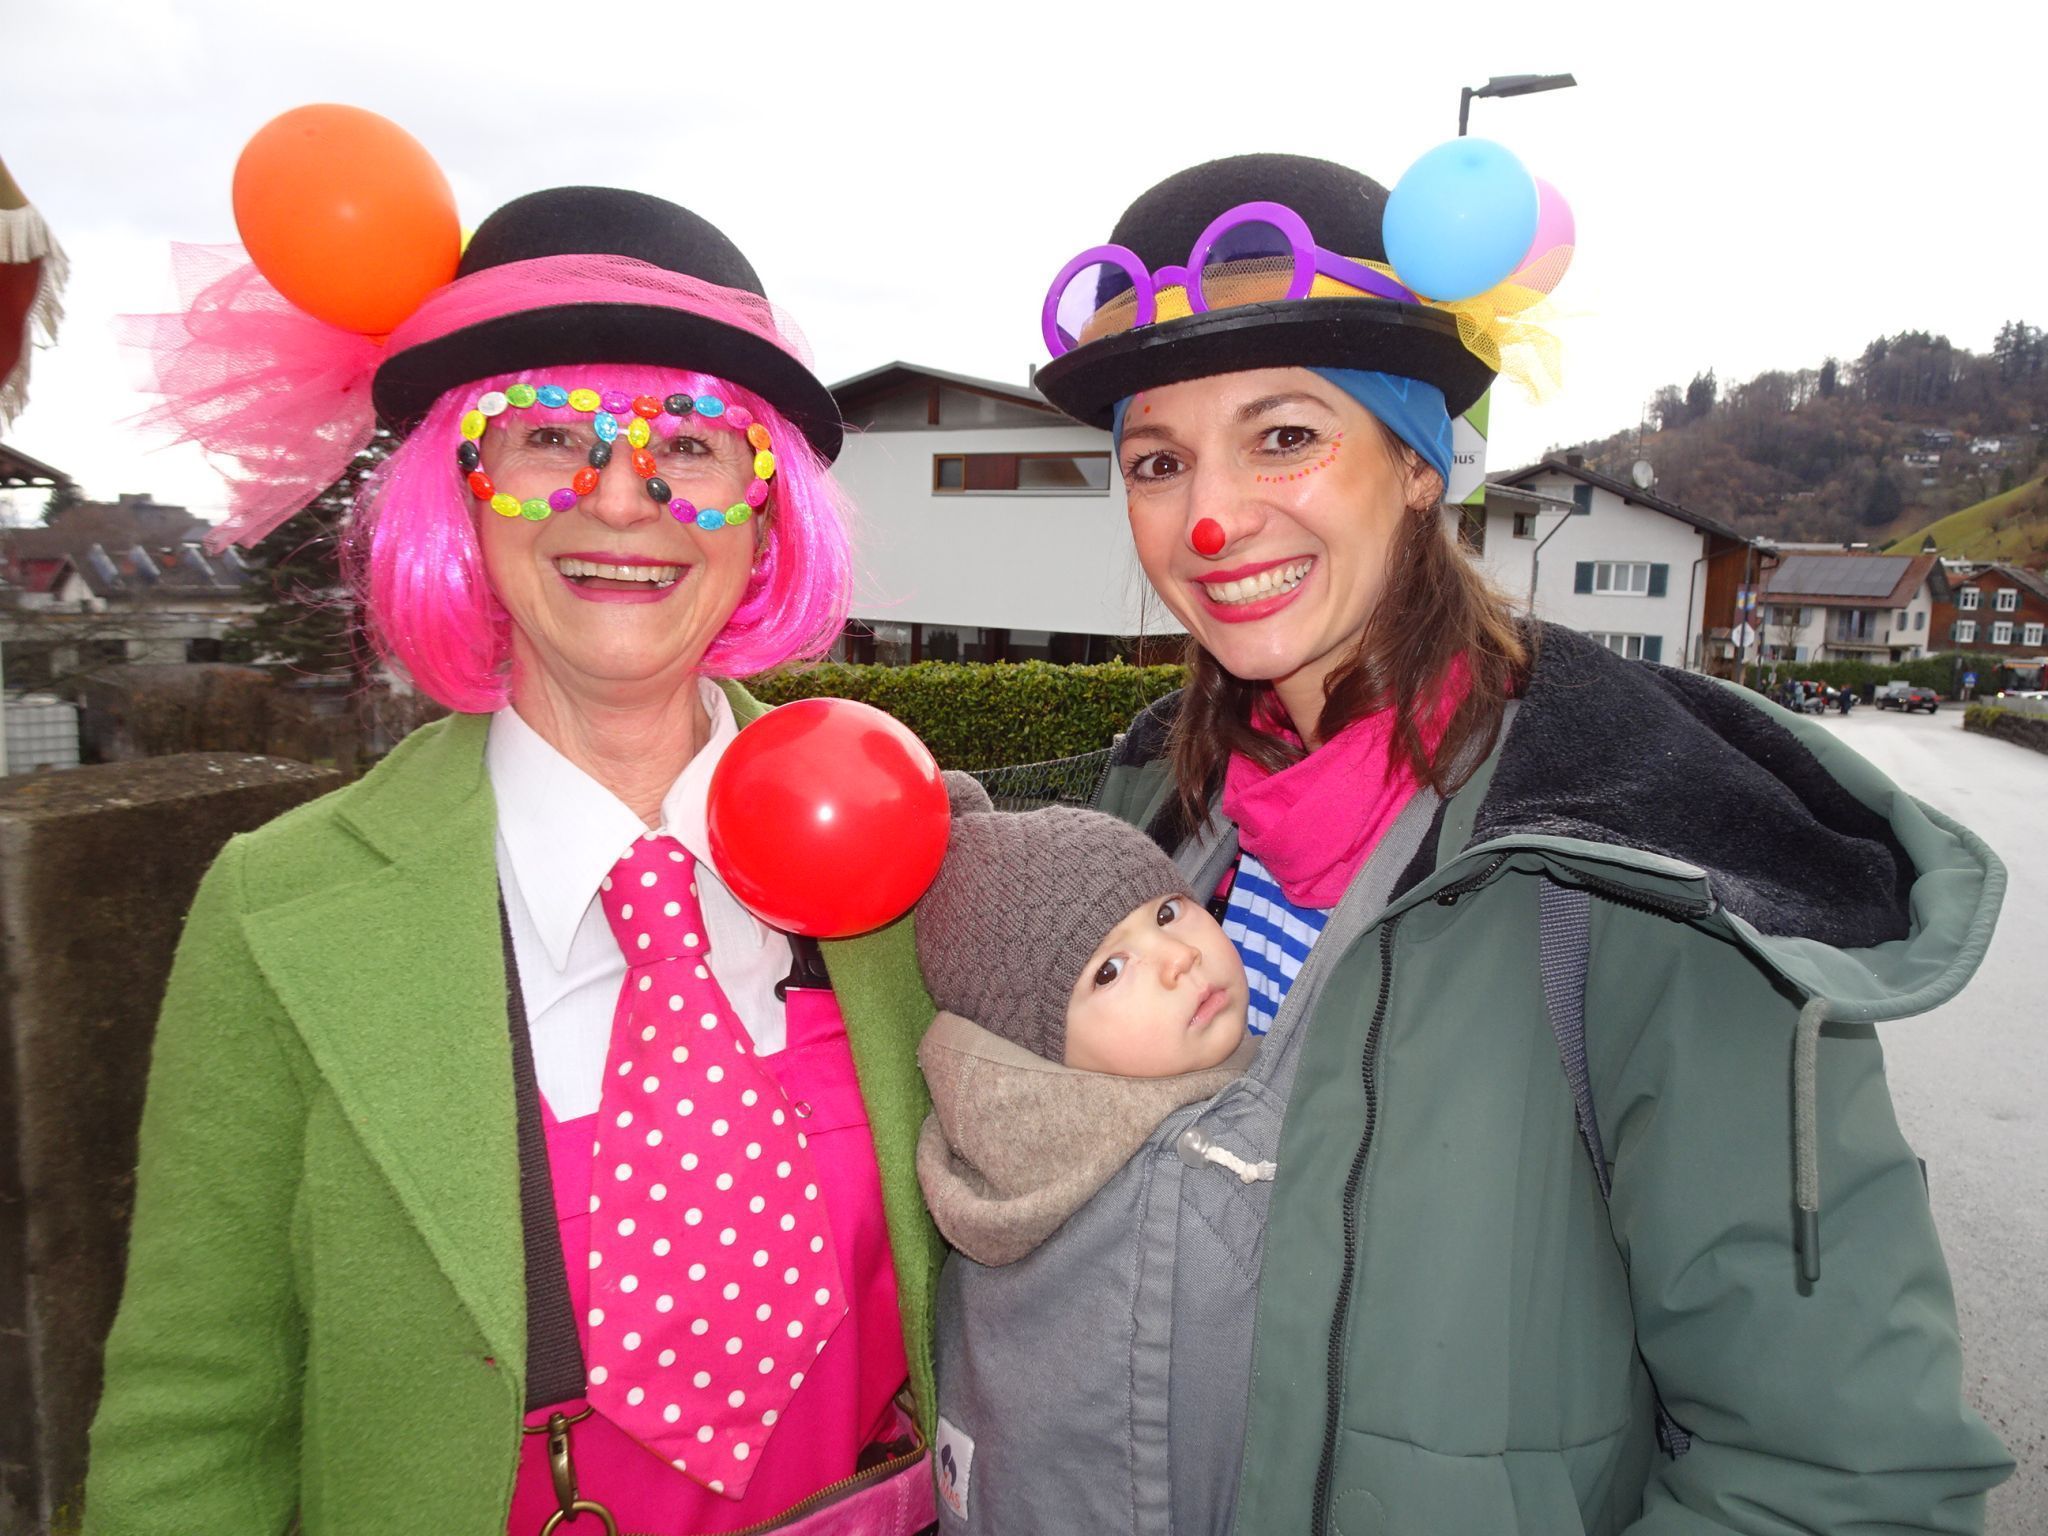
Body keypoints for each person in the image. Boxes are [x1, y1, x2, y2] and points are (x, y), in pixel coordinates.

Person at [1014, 151, 2012, 1533]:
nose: (1210, 517)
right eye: (1156, 460)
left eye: (1286, 435)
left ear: (1416, 465)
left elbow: (1835, 1479)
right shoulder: (1144, 821)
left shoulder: (1636, 857)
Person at [85, 188, 941, 1535]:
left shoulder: (914, 846)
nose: (621, 498)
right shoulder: (278, 909)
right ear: (457, 497)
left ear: (767, 511)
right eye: (548, 437)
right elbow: (197, 1417)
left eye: (696, 447)